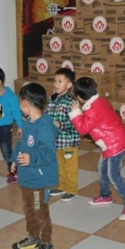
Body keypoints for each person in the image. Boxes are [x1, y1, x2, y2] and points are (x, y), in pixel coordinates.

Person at [69, 77, 125, 221]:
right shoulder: (100, 101)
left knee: (113, 175)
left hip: (114, 145)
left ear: (80, 97)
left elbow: (82, 129)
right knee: (102, 169)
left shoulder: (92, 110)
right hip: (113, 141)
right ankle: (105, 195)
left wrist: (75, 113)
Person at [10, 83, 58, 249]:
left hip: (40, 180)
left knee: (40, 210)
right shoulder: (28, 122)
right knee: (28, 209)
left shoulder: (44, 126)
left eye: (19, 103)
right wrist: (14, 159)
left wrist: (31, 158)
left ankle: (47, 242)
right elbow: (22, 144)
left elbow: (48, 152)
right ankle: (33, 237)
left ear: (25, 103)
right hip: (27, 178)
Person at [45, 68, 81, 202]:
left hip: (68, 142)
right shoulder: (52, 99)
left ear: (69, 85)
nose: (56, 84)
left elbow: (76, 122)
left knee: (70, 167)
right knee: (59, 165)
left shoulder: (72, 102)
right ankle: (61, 186)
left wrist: (60, 124)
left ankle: (71, 190)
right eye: (55, 81)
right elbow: (47, 114)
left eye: (60, 81)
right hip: (56, 141)